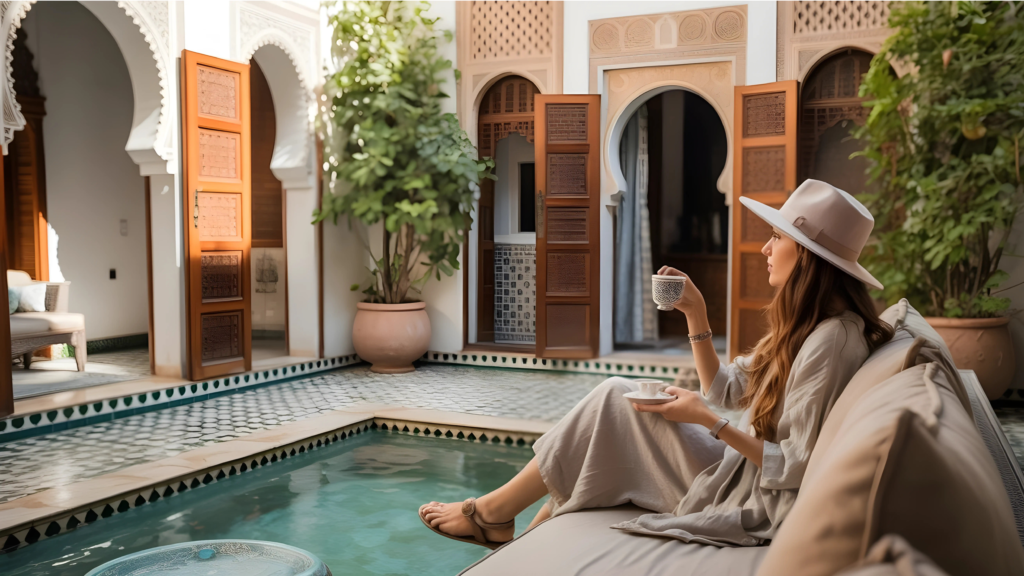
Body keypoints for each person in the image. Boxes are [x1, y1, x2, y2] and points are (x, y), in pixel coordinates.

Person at [419, 179, 895, 549]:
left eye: (776, 238)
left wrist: (708, 423)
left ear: (809, 257)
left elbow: (794, 467)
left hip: (752, 496)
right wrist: (696, 313)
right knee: (617, 399)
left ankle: (494, 516)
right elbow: (725, 390)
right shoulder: (812, 325)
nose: (767, 249)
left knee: (611, 404)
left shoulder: (831, 340)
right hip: (739, 469)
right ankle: (505, 526)